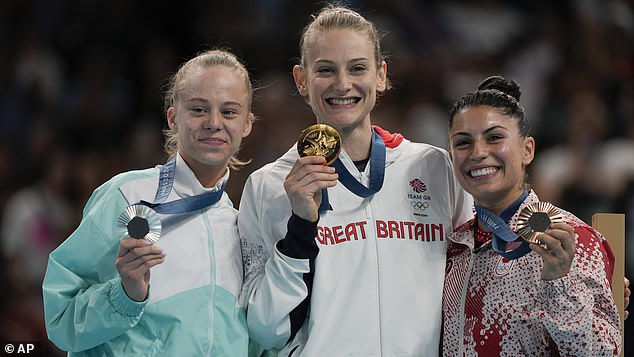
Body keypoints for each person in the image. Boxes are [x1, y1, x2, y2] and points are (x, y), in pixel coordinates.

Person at [238, 4, 473, 356]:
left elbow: (470, 284)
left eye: (357, 68)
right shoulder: (268, 186)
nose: (343, 84)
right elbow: (265, 329)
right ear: (301, 80)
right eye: (326, 70)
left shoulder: (434, 168)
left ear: (380, 75)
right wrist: (299, 228)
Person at [42, 49, 255, 356]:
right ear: (173, 117)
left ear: (247, 124)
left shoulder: (241, 225)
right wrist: (125, 295)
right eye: (198, 109)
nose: (213, 122)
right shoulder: (126, 195)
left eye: (229, 112)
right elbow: (60, 319)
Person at [442, 75, 622, 355]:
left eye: (494, 138)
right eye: (463, 142)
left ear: (527, 150)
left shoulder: (572, 238)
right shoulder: (454, 247)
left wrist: (560, 283)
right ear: (452, 156)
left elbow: (601, 352)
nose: (478, 152)